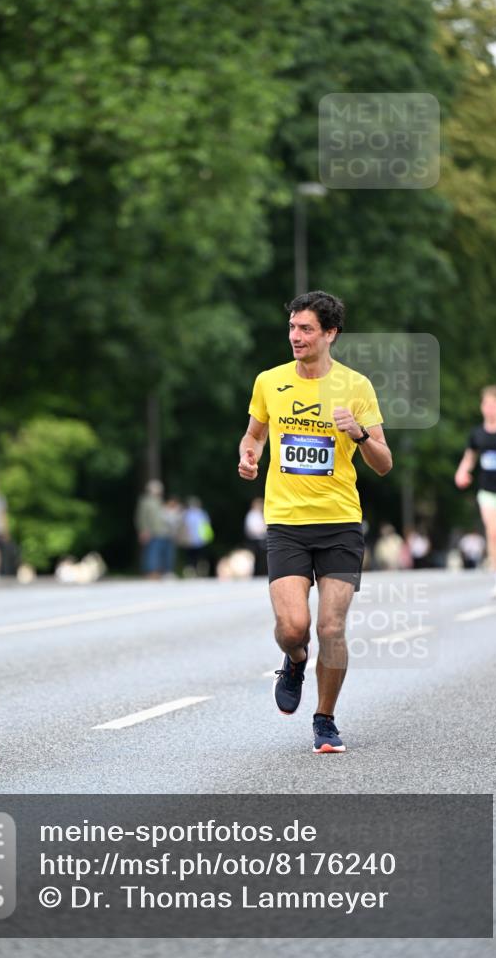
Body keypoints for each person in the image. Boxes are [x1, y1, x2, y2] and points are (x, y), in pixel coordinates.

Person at [238, 291, 392, 754]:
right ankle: (294, 659)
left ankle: (324, 720)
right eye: (292, 327)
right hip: (286, 522)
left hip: (340, 523)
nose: (296, 336)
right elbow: (254, 434)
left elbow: (383, 463)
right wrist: (249, 455)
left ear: (330, 334)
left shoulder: (356, 387)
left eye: (306, 329)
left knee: (331, 628)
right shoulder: (270, 381)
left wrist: (359, 434)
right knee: (293, 628)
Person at [455, 385, 496, 598]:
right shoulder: (477, 434)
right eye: (486, 404)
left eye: (494, 404)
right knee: (493, 532)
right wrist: (462, 472)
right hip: (487, 491)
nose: (490, 408)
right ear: (482, 407)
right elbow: (470, 457)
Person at [134, 479, 171, 579]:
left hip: (163, 531)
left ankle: (161, 572)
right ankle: (151, 572)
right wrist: (143, 530)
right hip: (152, 531)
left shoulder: (160, 501)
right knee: (151, 553)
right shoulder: (145, 501)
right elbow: (141, 517)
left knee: (162, 552)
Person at [180, 497, 213, 577]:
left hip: (200, 539)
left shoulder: (201, 513)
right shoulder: (188, 514)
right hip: (191, 539)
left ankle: (200, 571)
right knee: (191, 556)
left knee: (200, 556)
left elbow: (206, 525)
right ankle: (191, 571)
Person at [244, 498, 268, 576]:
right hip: (254, 540)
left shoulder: (259, 514)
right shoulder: (252, 515)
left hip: (260, 539)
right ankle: (257, 573)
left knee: (261, 558)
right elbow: (254, 529)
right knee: (256, 558)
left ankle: (261, 572)